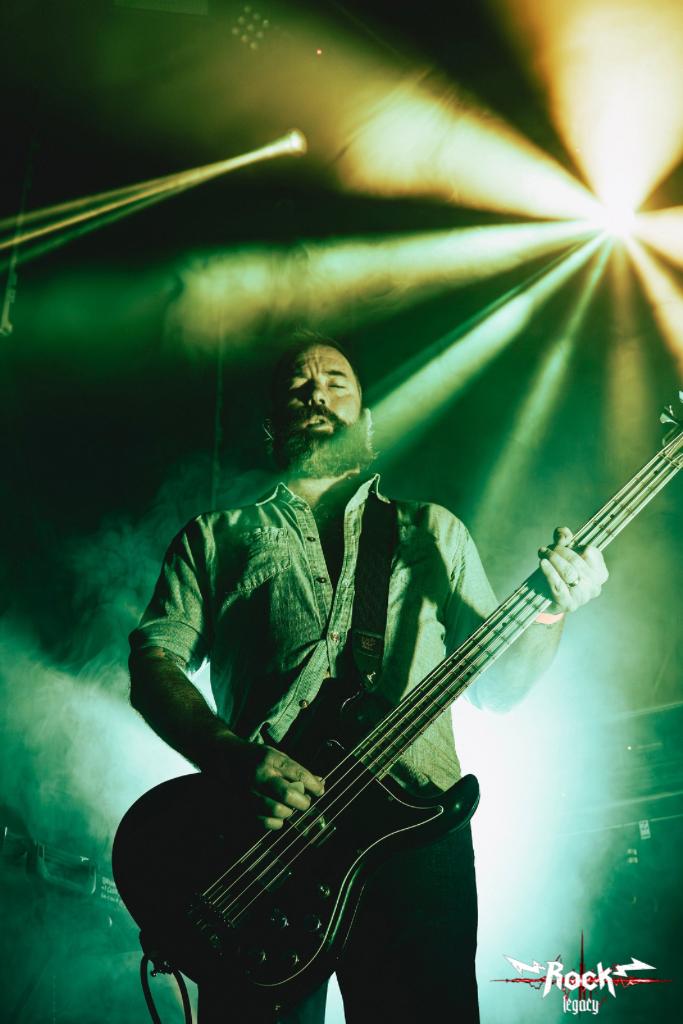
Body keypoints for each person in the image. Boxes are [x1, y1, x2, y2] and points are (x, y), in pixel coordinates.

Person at [128, 332, 608, 1024]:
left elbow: (499, 690)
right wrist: (232, 759)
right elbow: (153, 664)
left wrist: (550, 612)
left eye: (337, 383)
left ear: (367, 420)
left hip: (413, 831)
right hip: (262, 841)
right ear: (271, 423)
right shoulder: (213, 537)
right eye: (298, 387)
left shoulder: (432, 531)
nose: (317, 395)